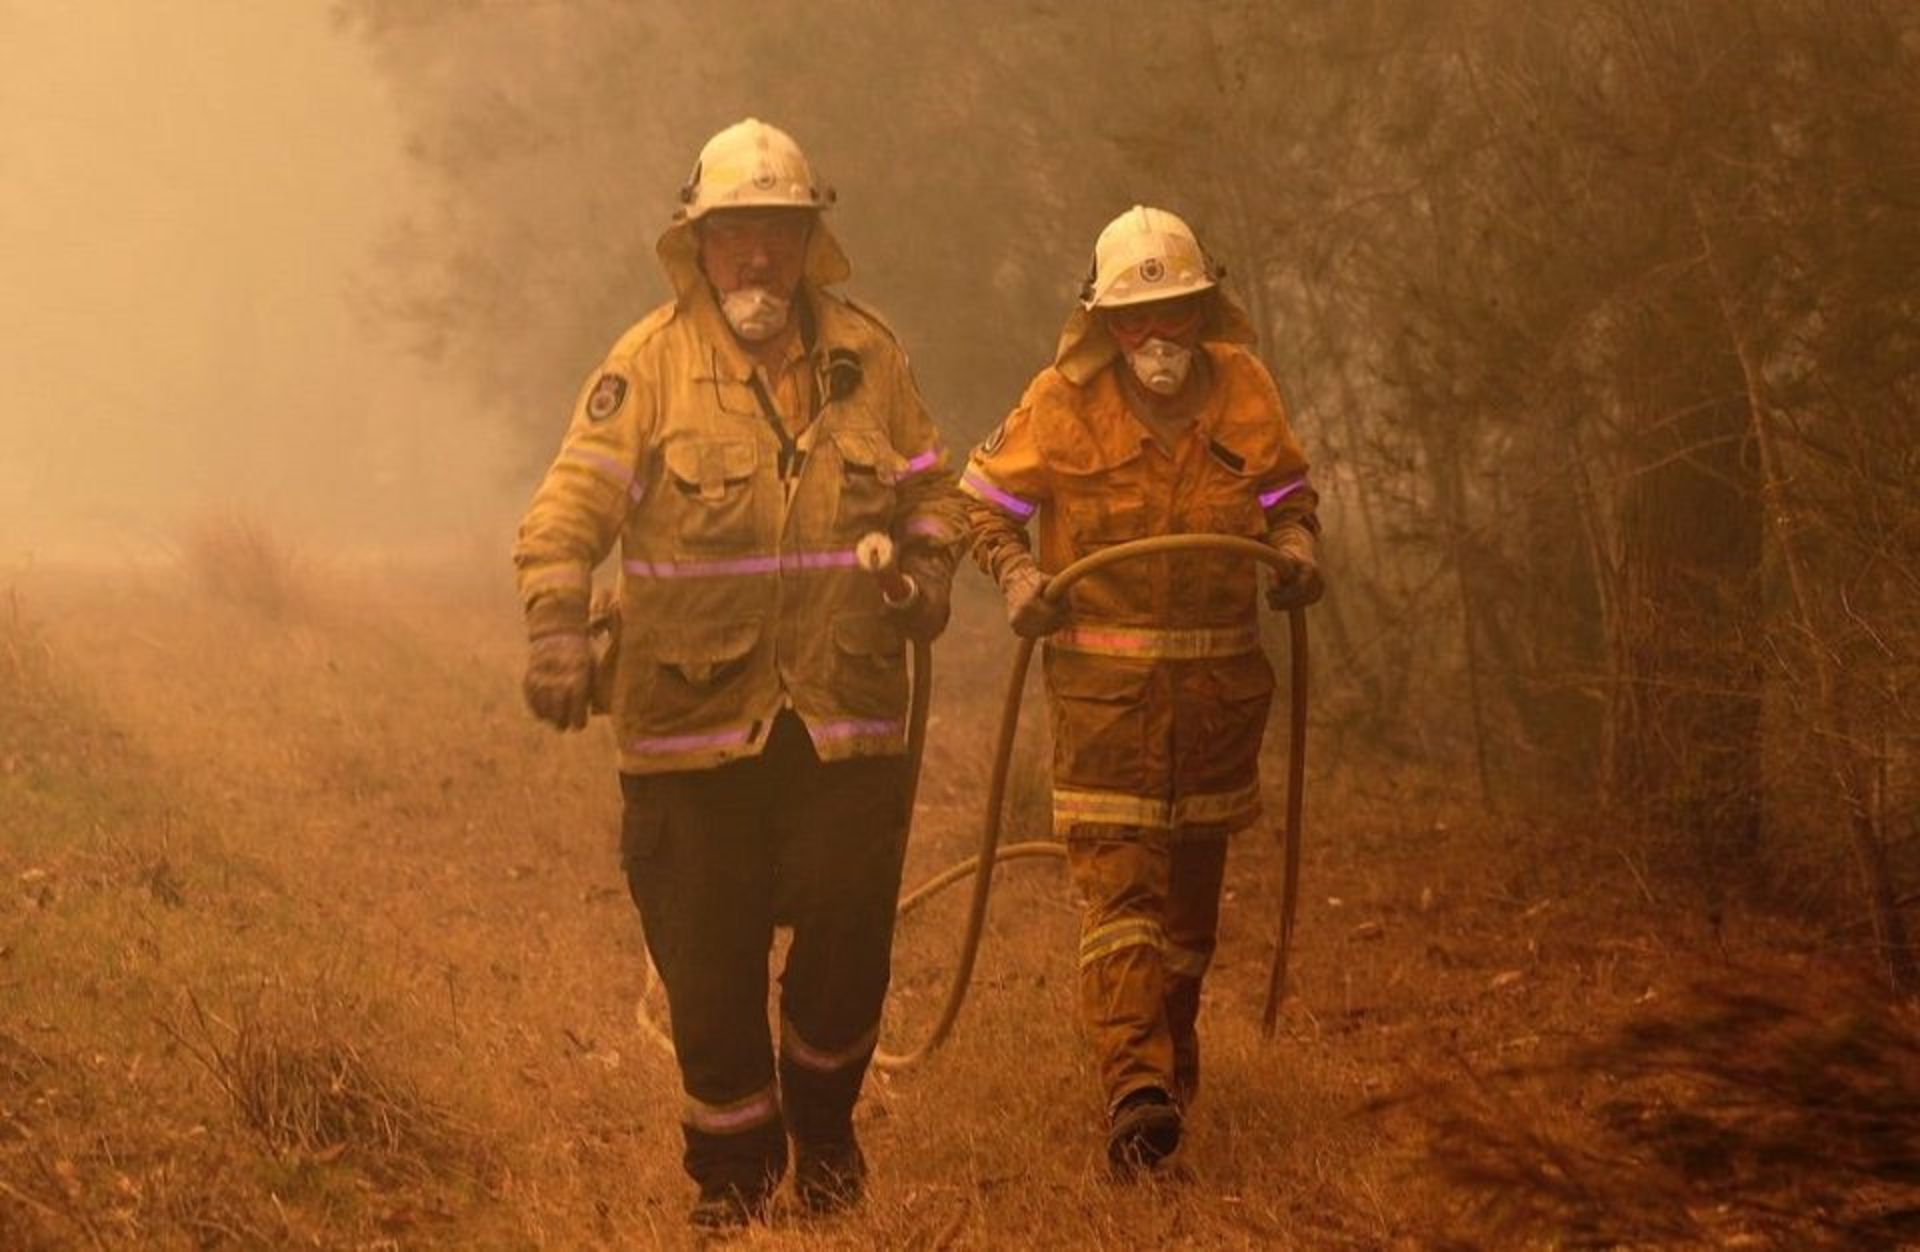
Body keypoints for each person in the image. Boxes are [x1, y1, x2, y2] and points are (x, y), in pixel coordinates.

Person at [512, 118, 964, 1231]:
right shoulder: (644, 369)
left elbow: (932, 498)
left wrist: (928, 566)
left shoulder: (874, 359)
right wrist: (557, 626)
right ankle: (735, 1184)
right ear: (698, 248)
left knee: (847, 954)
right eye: (735, 237)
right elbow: (563, 515)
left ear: (809, 241)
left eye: (778, 232)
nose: (757, 258)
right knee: (709, 979)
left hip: (847, 728)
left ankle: (824, 1134)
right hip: (687, 738)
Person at [960, 205, 1323, 1174]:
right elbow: (982, 503)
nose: (1158, 341)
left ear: (1208, 310)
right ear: (1103, 326)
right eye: (1135, 321)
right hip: (1104, 706)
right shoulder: (1060, 401)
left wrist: (1294, 547)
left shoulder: (1244, 388)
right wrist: (1018, 575)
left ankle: (1170, 1050)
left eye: (1176, 315)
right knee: (1120, 899)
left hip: (1217, 704)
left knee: (1189, 920)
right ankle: (1136, 1086)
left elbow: (1289, 489)